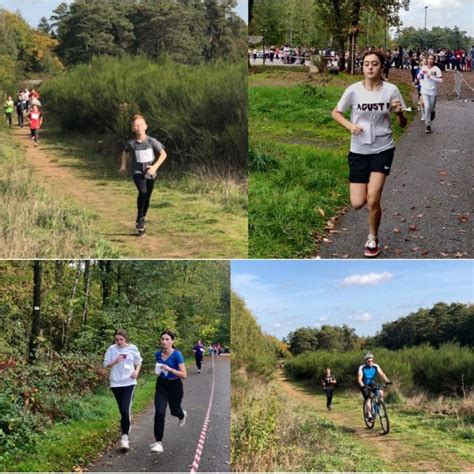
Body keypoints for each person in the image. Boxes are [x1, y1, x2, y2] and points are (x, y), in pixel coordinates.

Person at [331, 51, 407, 258]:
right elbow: (336, 112)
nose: (370, 67)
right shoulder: (353, 90)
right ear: (362, 67)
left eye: (375, 64)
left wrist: (399, 113)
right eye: (366, 64)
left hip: (383, 148)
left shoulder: (391, 90)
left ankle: (372, 237)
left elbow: (403, 124)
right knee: (357, 203)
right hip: (358, 150)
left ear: (382, 67)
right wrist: (349, 125)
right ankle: (372, 214)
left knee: (373, 198)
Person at [119, 115, 168, 236]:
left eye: (141, 124)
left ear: (146, 126)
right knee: (143, 192)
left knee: (147, 196)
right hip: (137, 172)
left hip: (150, 173)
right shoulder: (131, 143)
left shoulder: (152, 141)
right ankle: (140, 220)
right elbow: (125, 152)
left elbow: (163, 154)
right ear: (132, 129)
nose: (139, 127)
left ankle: (142, 218)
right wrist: (123, 166)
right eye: (136, 125)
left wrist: (155, 167)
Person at [103, 329, 142, 452]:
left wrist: (136, 372)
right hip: (115, 383)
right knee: (122, 410)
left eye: (121, 340)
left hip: (129, 382)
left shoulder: (133, 348)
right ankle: (127, 420)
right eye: (117, 340)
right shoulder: (111, 349)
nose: (119, 342)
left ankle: (124, 438)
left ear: (126, 339)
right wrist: (115, 361)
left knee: (125, 410)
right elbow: (105, 365)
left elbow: (139, 361)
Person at [151, 330, 187, 453]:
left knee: (174, 411)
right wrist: (157, 371)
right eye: (162, 339)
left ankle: (182, 415)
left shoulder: (177, 355)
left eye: (167, 339)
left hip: (175, 385)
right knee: (159, 412)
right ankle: (158, 442)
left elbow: (184, 374)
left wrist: (170, 369)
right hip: (161, 385)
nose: (164, 341)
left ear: (172, 341)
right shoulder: (158, 354)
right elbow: (159, 369)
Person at [357, 352, 390, 422]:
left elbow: (382, 374)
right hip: (364, 384)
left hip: (372, 383)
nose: (370, 362)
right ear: (365, 361)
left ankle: (379, 405)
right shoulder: (362, 367)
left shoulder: (375, 366)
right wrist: (362, 386)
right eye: (368, 361)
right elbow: (359, 379)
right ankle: (369, 415)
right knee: (368, 399)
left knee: (380, 392)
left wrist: (387, 381)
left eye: (372, 360)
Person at [417, 53, 442, 134]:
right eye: (429, 59)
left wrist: (431, 77)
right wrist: (419, 76)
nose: (430, 61)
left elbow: (441, 80)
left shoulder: (436, 69)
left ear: (434, 60)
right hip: (425, 91)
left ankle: (432, 111)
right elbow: (419, 75)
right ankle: (428, 125)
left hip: (433, 92)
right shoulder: (424, 68)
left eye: (432, 59)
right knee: (427, 107)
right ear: (427, 60)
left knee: (431, 108)